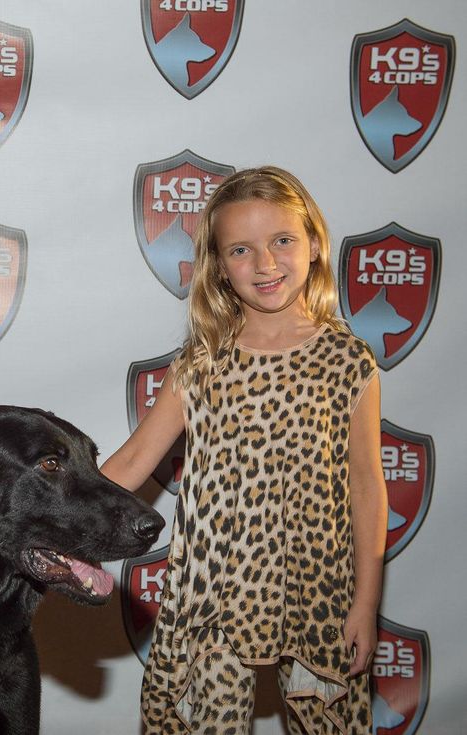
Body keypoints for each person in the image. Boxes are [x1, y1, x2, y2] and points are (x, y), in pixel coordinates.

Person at [102, 167, 387, 733]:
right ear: (217, 265)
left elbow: (366, 486)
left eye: (282, 240)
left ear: (313, 243)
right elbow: (134, 462)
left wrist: (365, 603)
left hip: (320, 583)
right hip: (212, 591)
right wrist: (42, 517)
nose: (265, 263)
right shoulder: (201, 364)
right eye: (240, 249)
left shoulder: (350, 362)